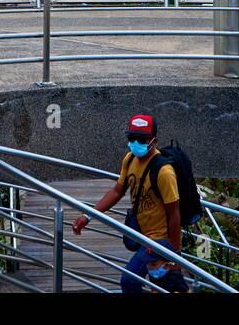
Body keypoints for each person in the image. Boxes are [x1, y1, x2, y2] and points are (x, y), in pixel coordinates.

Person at [71, 114, 187, 293]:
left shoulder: (164, 172)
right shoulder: (130, 159)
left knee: (129, 280)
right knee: (173, 288)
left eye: (141, 139)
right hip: (142, 235)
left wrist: (175, 257)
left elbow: (174, 214)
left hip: (159, 240)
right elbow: (117, 191)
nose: (135, 142)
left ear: (153, 141)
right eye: (131, 138)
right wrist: (88, 216)